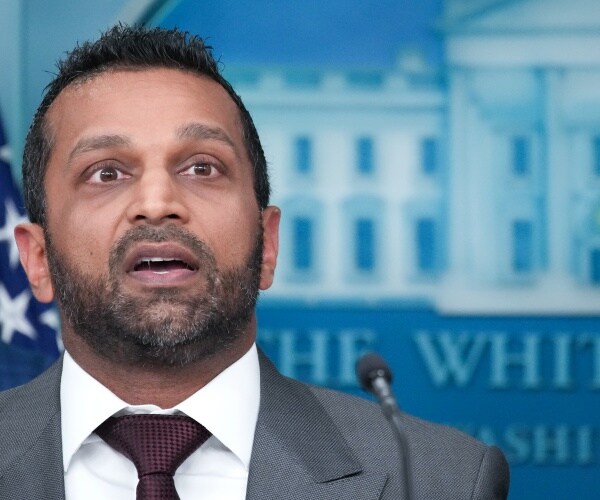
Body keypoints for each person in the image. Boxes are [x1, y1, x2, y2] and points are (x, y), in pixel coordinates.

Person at [0, 25, 509, 499]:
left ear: (267, 246)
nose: (157, 203)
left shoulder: (443, 478)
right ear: (37, 259)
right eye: (106, 173)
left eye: (202, 167)